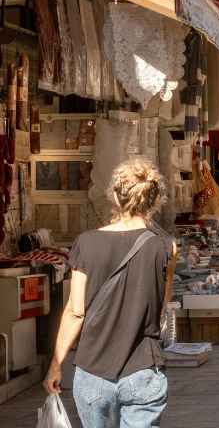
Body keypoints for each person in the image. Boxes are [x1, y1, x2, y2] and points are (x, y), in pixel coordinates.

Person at [44, 159, 176, 427]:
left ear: (115, 196)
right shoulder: (166, 247)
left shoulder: (86, 243)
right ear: (154, 199)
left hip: (93, 371)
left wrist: (56, 364)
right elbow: (161, 306)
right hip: (143, 369)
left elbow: (75, 312)